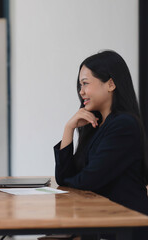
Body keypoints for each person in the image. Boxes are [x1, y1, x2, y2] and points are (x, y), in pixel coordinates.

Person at [54, 50, 148, 238]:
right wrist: (68, 128)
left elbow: (87, 182)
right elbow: (65, 176)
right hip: (102, 223)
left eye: (85, 83)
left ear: (111, 84)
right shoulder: (96, 125)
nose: (81, 92)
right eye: (80, 85)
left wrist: (69, 182)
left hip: (124, 227)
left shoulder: (124, 125)